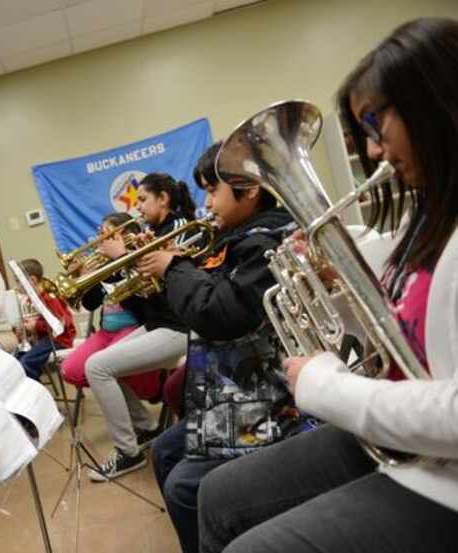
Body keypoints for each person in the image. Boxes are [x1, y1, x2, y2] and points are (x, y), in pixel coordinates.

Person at [197, 17, 458, 553]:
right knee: (216, 493)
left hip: (442, 469)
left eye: (374, 122)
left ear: (434, 101)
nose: (376, 151)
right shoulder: (429, 219)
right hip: (405, 436)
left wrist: (327, 386)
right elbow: (402, 335)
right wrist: (334, 289)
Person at [137, 142, 298, 553]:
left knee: (182, 485)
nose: (207, 203)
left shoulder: (266, 239)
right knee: (166, 451)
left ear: (249, 189)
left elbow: (219, 314)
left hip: (265, 399)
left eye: (213, 191)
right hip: (230, 388)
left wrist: (175, 267)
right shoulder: (234, 236)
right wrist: (177, 268)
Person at [85, 172, 196, 482]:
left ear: (164, 199)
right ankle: (146, 430)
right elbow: (142, 292)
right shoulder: (152, 231)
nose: (139, 208)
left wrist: (123, 257)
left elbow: (171, 284)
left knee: (97, 367)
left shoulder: (179, 231)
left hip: (178, 328)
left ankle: (128, 452)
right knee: (100, 366)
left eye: (144, 200)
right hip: (156, 324)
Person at [60, 212, 162, 409]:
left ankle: (142, 418)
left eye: (104, 234)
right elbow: (90, 305)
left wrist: (120, 264)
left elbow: (143, 304)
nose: (99, 240)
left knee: (103, 367)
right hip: (106, 331)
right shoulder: (104, 263)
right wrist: (87, 280)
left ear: (121, 235)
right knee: (70, 370)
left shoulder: (138, 259)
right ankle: (139, 417)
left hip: (133, 327)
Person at [15, 258, 76, 380]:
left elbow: (60, 324)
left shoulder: (49, 297)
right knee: (16, 361)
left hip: (59, 340)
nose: (17, 287)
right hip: (44, 340)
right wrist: (26, 331)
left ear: (32, 280)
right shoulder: (30, 300)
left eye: (18, 281)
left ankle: (35, 392)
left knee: (26, 363)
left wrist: (35, 326)